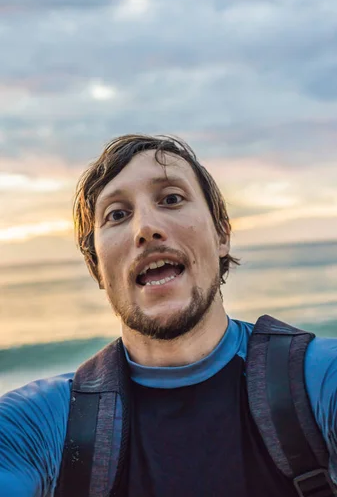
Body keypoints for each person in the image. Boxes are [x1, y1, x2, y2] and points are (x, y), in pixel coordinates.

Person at [0, 133, 336, 497]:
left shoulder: (316, 381)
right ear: (96, 267)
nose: (145, 228)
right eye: (117, 215)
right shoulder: (40, 426)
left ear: (221, 235)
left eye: (172, 199)